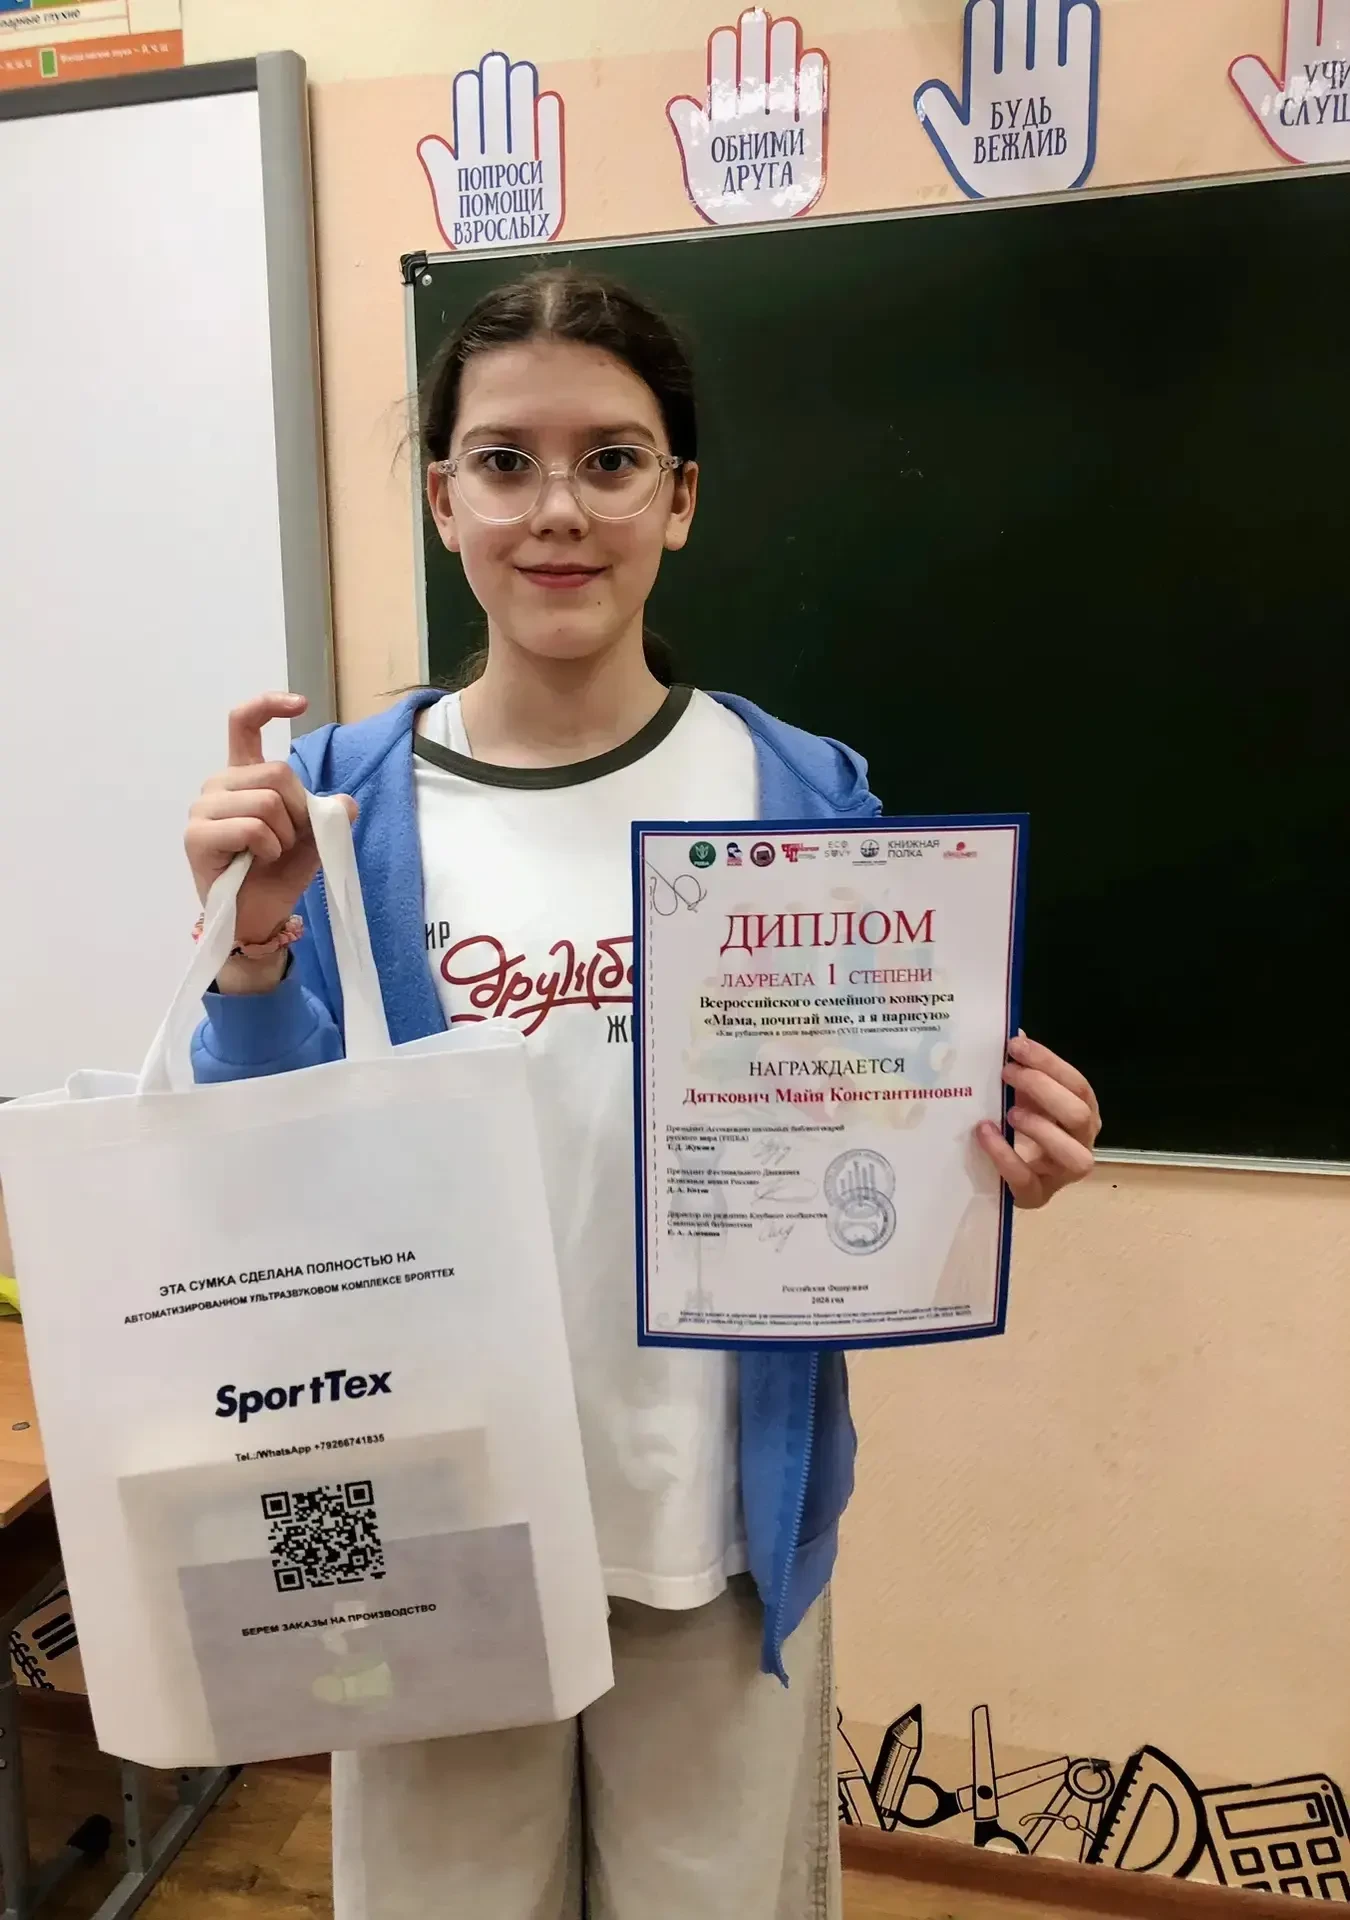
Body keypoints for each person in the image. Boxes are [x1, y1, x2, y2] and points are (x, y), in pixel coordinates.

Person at [185, 268, 1101, 1920]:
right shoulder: (327, 803)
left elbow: (879, 1111)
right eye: (503, 461)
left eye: (610, 461)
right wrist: (245, 957)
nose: (557, 510)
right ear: (443, 500)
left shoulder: (798, 789)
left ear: (677, 501)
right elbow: (250, 1178)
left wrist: (991, 1154)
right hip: (425, 1512)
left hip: (712, 1517)